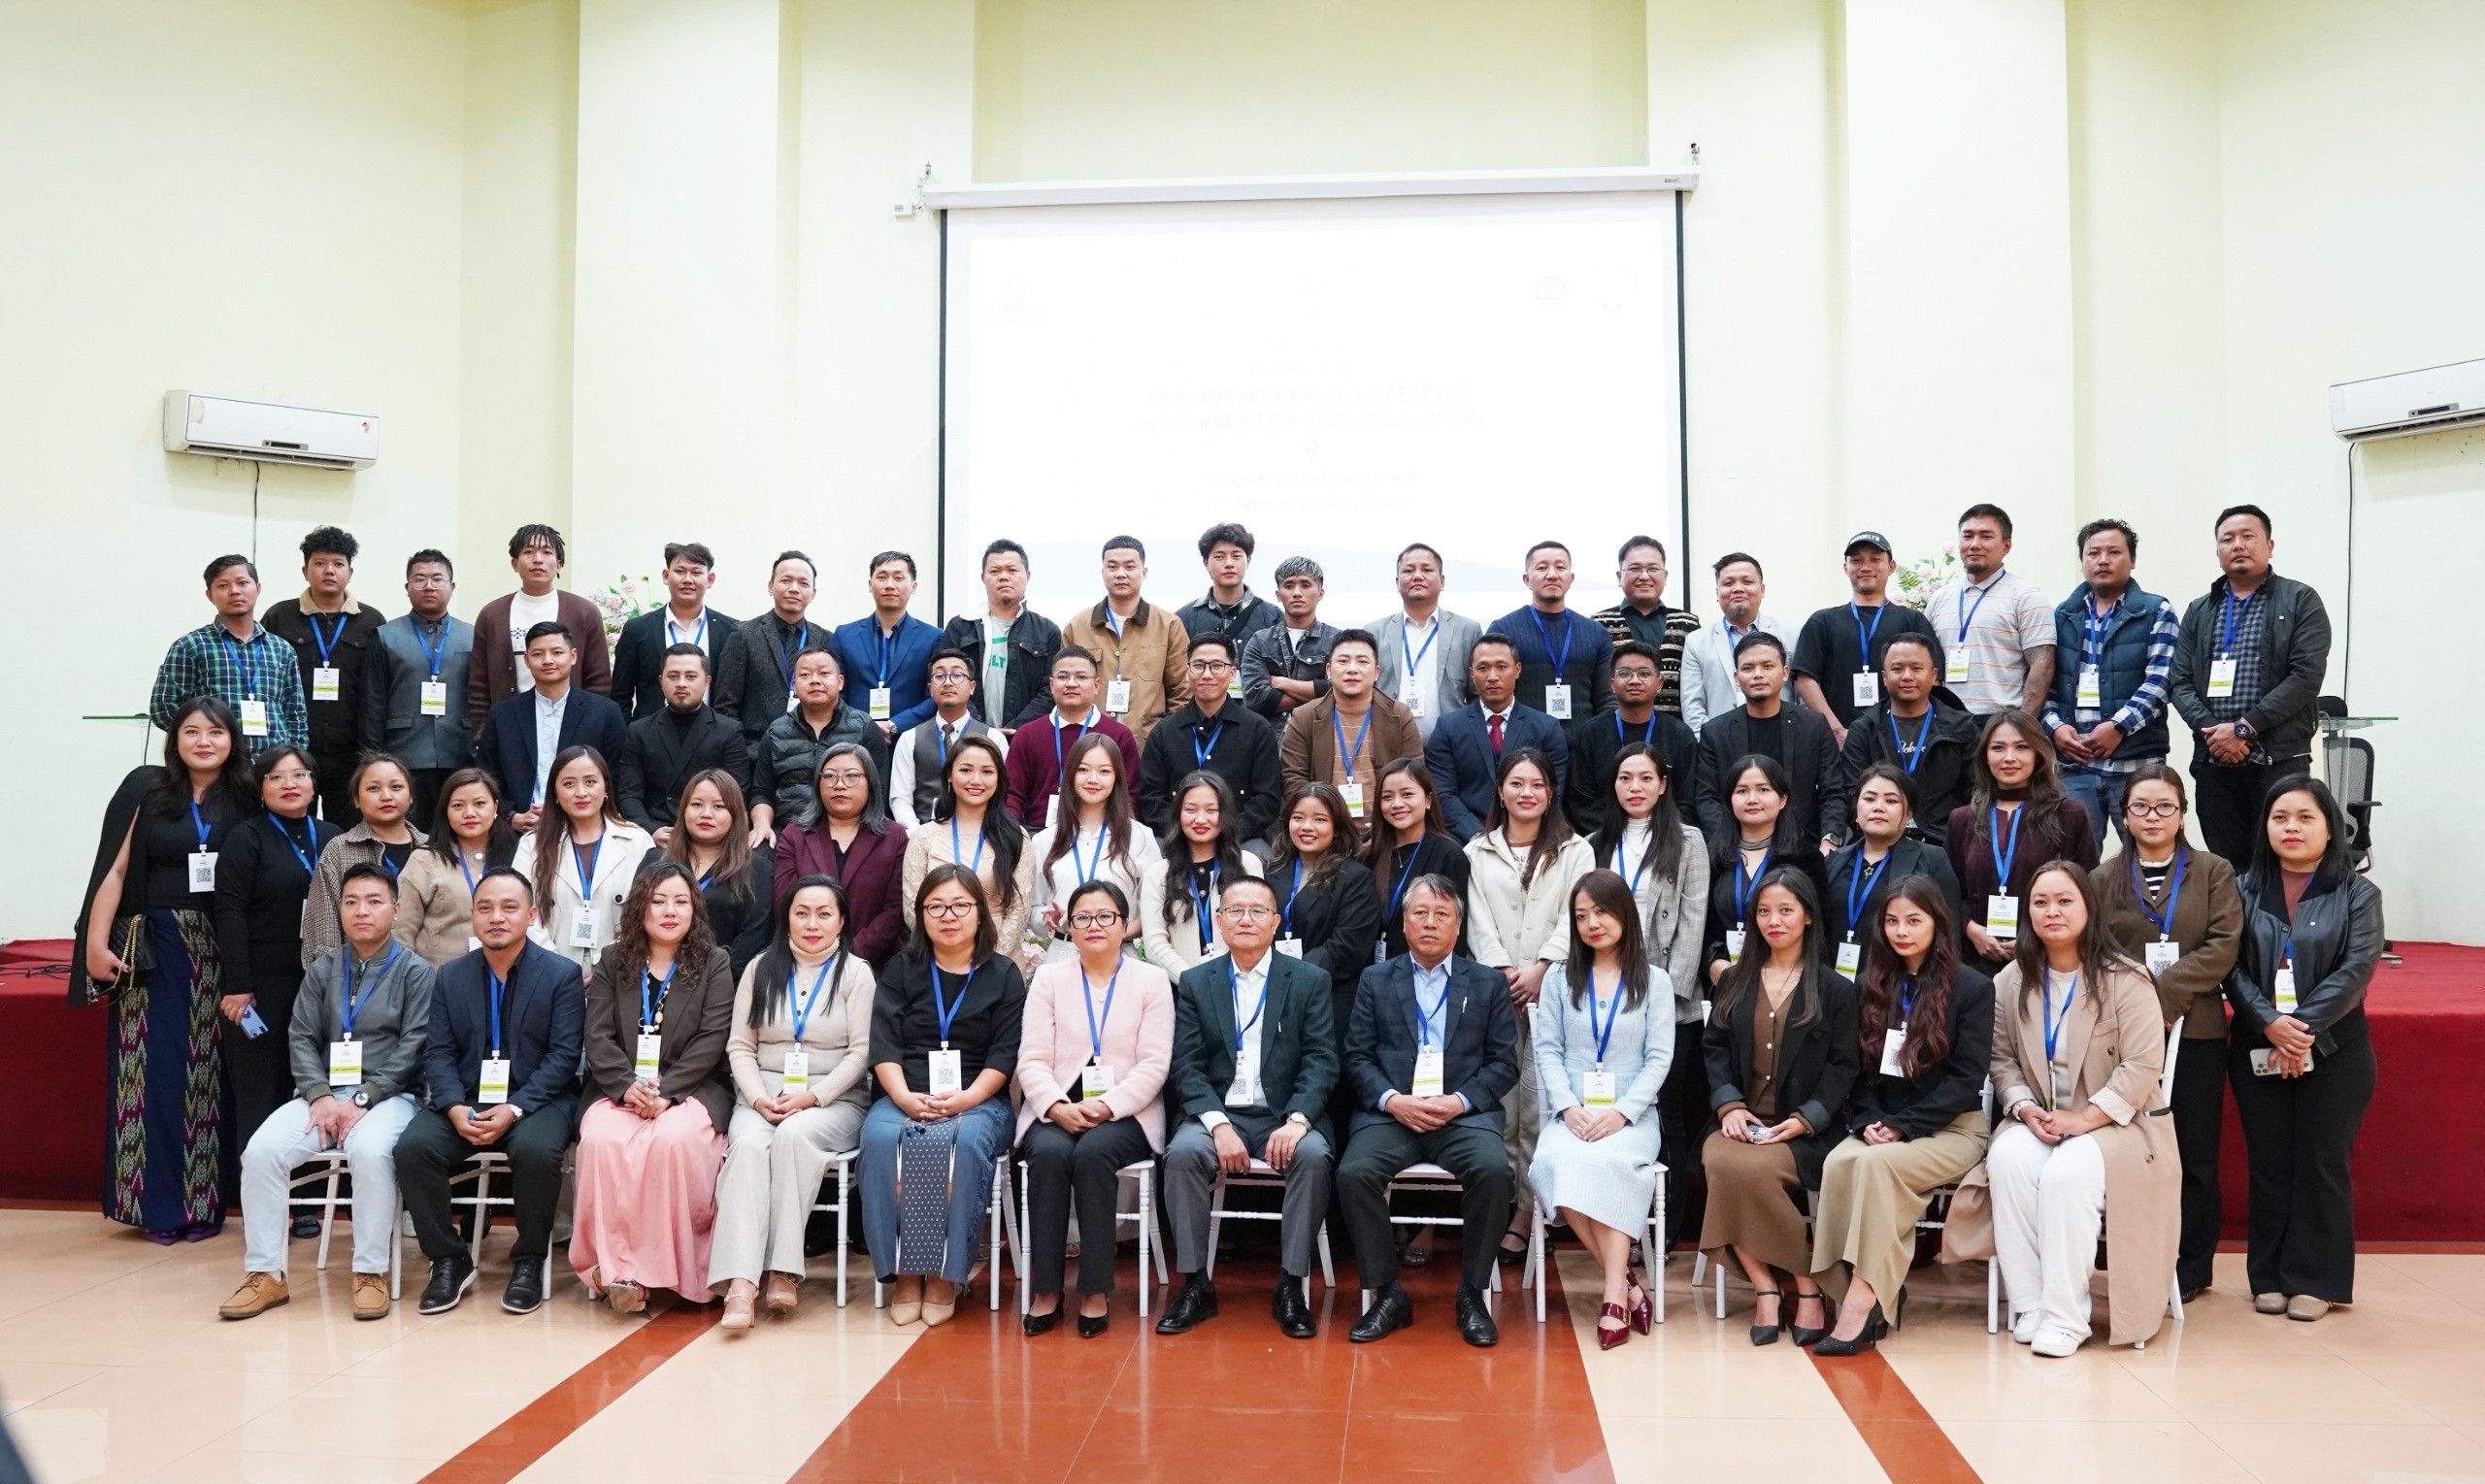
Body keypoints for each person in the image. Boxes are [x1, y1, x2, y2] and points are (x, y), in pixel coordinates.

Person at [218, 865, 433, 1322]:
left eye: (374, 901)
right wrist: (318, 1095)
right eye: (351, 902)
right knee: (260, 1152)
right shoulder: (323, 968)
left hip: (390, 1097)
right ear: (339, 910)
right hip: (323, 1096)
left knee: (370, 1151)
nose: (362, 911)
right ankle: (266, 1273)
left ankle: (370, 1272)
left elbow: (415, 1046)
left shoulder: (417, 972)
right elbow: (300, 1037)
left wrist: (364, 1098)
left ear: (396, 910)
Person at [76, 697, 256, 1238]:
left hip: (219, 950)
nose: (204, 741)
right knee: (149, 1076)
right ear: (174, 738)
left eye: (216, 732)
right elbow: (113, 869)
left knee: (205, 1078)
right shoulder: (145, 787)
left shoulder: (246, 795)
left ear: (232, 741)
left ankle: (201, 1206)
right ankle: (151, 1207)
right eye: (192, 731)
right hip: (151, 950)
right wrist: (94, 943)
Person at [1985, 863, 2177, 1354]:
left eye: (2064, 901)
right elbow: (2001, 1060)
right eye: (2040, 902)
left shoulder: (2126, 978)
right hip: (2044, 1118)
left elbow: (2142, 1066)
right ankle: (2030, 1305)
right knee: (2007, 1158)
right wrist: (2023, 1108)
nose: (2052, 911)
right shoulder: (2010, 980)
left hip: (2121, 1124)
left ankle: (2067, 1318)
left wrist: (2086, 1119)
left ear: (2089, 907)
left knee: (2066, 1171)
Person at [1807, 874, 1994, 1353]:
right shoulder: (1870, 984)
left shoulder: (1971, 988)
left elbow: (1966, 1079)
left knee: (1875, 1166)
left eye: (1914, 920)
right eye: (1892, 921)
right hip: (1883, 1124)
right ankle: (1866, 1285)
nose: (1901, 931)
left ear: (1937, 923)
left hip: (1953, 1129)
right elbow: (1858, 1069)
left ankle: (1862, 1300)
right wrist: (1870, 1120)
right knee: (1839, 1162)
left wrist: (1902, 1126)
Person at [1337, 876, 1519, 1346]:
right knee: (1354, 1174)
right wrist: (1392, 1100)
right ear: (1404, 922)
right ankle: (1387, 1293)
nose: (1430, 923)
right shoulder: (1376, 979)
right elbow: (1356, 1056)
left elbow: (1504, 1063)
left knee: (1494, 1172)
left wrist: (1458, 1101)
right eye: (1420, 913)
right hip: (1392, 1114)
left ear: (1458, 926)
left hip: (1462, 1116)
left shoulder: (1487, 983)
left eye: (1442, 914)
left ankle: (1473, 1294)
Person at [2223, 778, 2381, 1323]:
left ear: (2330, 827)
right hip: (2258, 1045)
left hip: (2336, 1049)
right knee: (2269, 1163)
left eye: (2305, 817)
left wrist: (2300, 1029)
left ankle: (2317, 1280)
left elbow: (2357, 968)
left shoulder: (2358, 893)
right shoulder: (2240, 888)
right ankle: (2268, 1277)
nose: (2291, 827)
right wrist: (2269, 1023)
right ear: (2265, 827)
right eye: (2280, 817)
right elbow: (2230, 966)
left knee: (2321, 1161)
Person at [396, 868, 584, 1315]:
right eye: (485, 908)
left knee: (537, 1152)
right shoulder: (450, 976)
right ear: (473, 914)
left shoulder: (561, 975)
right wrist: (452, 1106)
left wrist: (515, 1109)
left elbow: (563, 1057)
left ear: (531, 915)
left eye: (509, 907)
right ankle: (449, 1259)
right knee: (413, 1148)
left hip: (538, 1099)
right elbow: (438, 1052)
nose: (496, 917)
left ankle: (529, 1260)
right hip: (466, 1098)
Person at [1157, 874, 1338, 1338]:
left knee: (1312, 1156)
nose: (1246, 919)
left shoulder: (1308, 980)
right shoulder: (1197, 981)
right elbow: (1187, 1065)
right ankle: (1195, 1284)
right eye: (1235, 910)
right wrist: (1218, 1125)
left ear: (1275, 922)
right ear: (1219, 921)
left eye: (1258, 911)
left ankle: (1291, 1285)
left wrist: (1297, 1120)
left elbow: (1321, 1060)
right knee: (1183, 1154)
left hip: (1285, 1114)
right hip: (1220, 1113)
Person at [2090, 763, 2241, 1300]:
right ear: (2124, 816)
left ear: (2182, 814)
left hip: (2195, 1030)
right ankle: (2127, 1259)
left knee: (2194, 1153)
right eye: (2140, 807)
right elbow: (2095, 949)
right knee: (2127, 1149)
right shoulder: (2101, 879)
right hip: (2121, 1037)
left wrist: (2163, 996)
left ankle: (2190, 1267)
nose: (2152, 817)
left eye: (2164, 807)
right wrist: (2137, 1003)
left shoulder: (2214, 871)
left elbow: (2224, 944)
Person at [860, 866, 1028, 1326]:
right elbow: (884, 1045)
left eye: (959, 906)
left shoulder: (1003, 974)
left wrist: (967, 1099)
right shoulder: (901, 969)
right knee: (879, 1141)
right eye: (935, 907)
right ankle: (903, 1273)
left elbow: (1005, 1053)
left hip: (979, 1099)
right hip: (904, 1093)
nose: (948, 916)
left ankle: (943, 1275)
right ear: (920, 915)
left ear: (980, 913)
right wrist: (904, 1098)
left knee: (960, 1143)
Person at [711, 874, 878, 1328]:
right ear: (786, 918)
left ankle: (783, 1271)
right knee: (748, 1147)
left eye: (824, 914)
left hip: (833, 1100)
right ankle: (741, 1284)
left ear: (841, 921)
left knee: (794, 1137)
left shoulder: (856, 973)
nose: (812, 924)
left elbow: (861, 1053)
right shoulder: (760, 968)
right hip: (763, 1095)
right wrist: (758, 1099)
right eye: (802, 913)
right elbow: (740, 1046)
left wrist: (812, 1096)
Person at [1700, 868, 1856, 1346]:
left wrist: (1807, 1119)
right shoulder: (1734, 981)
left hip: (1803, 1128)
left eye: (1786, 910)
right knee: (1722, 1163)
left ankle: (1792, 1287)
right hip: (1739, 1122)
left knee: (1752, 1173)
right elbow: (1714, 1050)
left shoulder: (1834, 989)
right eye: (1764, 911)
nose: (1774, 921)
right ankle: (1787, 1285)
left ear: (1808, 916)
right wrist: (1728, 1106)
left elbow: (1844, 1066)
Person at [1013, 881, 1176, 1336]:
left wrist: (1106, 1106)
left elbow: (1154, 1064)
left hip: (1126, 1112)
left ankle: (1094, 1288)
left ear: (1124, 925)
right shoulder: (1050, 979)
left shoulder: (1151, 981)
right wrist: (1054, 1105)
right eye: (1083, 917)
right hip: (1057, 1105)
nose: (1094, 925)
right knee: (1048, 1154)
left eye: (1106, 916)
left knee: (1092, 1154)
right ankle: (1046, 1289)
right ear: (1070, 926)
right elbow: (1031, 1059)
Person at [572, 863, 735, 1312]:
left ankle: (676, 1271)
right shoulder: (613, 960)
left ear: (694, 909)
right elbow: (597, 1034)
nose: (669, 911)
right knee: (602, 1141)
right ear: (640, 908)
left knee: (673, 1142)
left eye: (680, 901)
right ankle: (617, 1271)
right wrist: (626, 1086)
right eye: (658, 901)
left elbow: (713, 1037)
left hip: (692, 1087)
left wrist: (668, 1092)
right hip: (620, 1087)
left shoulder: (714, 962)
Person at [1530, 871, 1673, 1348]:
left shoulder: (1654, 981)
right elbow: (1547, 1049)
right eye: (1581, 915)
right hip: (1572, 1114)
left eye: (1602, 912)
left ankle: (1613, 1294)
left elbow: (1659, 1058)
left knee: (1611, 1162)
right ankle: (1628, 1284)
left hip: (1632, 1117)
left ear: (1625, 915)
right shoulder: (1559, 978)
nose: (1592, 923)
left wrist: (1622, 1113)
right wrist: (1568, 1107)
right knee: (1554, 1162)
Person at [1464, 746, 1595, 1264]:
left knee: (1540, 1103)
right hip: (1494, 994)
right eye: (1516, 783)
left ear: (1550, 792)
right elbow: (1475, 918)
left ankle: (1528, 1210)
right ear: (1500, 791)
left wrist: (1542, 967)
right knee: (1501, 1104)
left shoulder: (1576, 850)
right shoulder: (1477, 851)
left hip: (1555, 989)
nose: (1527, 793)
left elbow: (1576, 914)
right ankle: (1499, 1205)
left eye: (1537, 784)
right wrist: (1501, 971)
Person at [1586, 744, 1709, 1246]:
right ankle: (1615, 1219)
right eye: (1624, 778)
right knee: (1615, 1106)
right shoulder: (1594, 843)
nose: (1634, 787)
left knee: (1667, 1113)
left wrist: (1661, 994)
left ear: (1662, 784)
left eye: (1645, 778)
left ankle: (1664, 1230)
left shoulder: (1688, 840)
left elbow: (1694, 921)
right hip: (1606, 996)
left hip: (1668, 1001)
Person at [2168, 505, 2333, 866]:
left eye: (2248, 536)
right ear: (2217, 551)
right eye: (2227, 539)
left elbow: (2305, 677)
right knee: (2226, 866)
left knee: (2282, 862)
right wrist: (2214, 733)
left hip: (2279, 759)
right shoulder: (2200, 610)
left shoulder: (2300, 600)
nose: (2238, 545)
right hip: (2214, 760)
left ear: (2269, 545)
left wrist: (2243, 729)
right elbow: (2178, 681)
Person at [212, 746, 337, 1191]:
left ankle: (309, 1201)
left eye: (299, 775)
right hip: (262, 987)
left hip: (324, 985)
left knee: (314, 1090)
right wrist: (239, 983)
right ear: (260, 787)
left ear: (314, 784)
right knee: (262, 1091)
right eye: (276, 777)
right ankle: (263, 1202)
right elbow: (229, 912)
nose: (289, 784)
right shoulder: (246, 838)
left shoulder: (333, 837)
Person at [2041, 518, 2180, 836]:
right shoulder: (2063, 614)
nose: (2103, 560)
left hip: (2138, 765)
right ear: (2082, 561)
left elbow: (2161, 681)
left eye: (2114, 552)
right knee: (2076, 858)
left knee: (2148, 852)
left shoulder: (2156, 610)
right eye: (2093, 553)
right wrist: (2055, 728)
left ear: (2133, 559)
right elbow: (2047, 682)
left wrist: (2119, 727)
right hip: (2075, 767)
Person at [1946, 711, 2102, 976]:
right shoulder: (1962, 819)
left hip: (2048, 961)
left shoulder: (2070, 815)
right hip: (1975, 961)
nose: (2009, 757)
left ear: (2038, 754)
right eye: (1998, 748)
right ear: (1985, 756)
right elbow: (1949, 892)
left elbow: (2087, 891)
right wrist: (1970, 929)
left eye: (2021, 747)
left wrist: (2036, 938)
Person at [261, 527, 389, 824]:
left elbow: (378, 690)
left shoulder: (372, 621)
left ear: (350, 572)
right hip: (294, 751)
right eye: (319, 563)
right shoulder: (279, 617)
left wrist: (372, 752)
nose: (329, 571)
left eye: (338, 564)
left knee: (347, 832)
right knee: (290, 825)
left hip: (351, 753)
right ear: (305, 571)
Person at [1689, 633, 1845, 852]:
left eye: (1767, 666)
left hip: (1805, 848)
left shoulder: (1814, 725)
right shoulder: (1716, 732)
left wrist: (1829, 841)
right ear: (1736, 677)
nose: (1758, 674)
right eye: (1748, 668)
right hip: (1737, 851)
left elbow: (1833, 791)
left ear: (1785, 673)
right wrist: (1729, 844)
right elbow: (1707, 798)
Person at [511, 746, 658, 974]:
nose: (581, 792)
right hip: (548, 974)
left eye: (590, 782)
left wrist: (605, 967)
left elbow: (648, 912)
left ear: (606, 788)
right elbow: (520, 911)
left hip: (620, 973)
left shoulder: (638, 841)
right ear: (555, 793)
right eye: (569, 784)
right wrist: (561, 970)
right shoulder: (532, 845)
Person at [1790, 531, 1946, 743]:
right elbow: (1805, 679)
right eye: (1856, 561)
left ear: (1891, 566)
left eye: (1875, 559)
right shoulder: (1822, 621)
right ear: (1845, 568)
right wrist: (1836, 731)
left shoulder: (1912, 620)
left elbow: (1933, 679)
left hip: (1901, 741)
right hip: (1840, 741)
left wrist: (1915, 730)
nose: (1865, 567)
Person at [473, 622, 630, 828]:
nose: (548, 660)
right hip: (519, 829)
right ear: (527, 660)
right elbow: (486, 774)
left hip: (584, 826)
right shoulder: (502, 714)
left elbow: (618, 775)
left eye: (557, 652)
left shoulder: (605, 712)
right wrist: (511, 816)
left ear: (573, 656)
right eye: (538, 654)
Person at [149, 555, 308, 757]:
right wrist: (203, 743)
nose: (234, 591)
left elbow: (296, 713)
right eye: (223, 586)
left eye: (242, 583)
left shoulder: (282, 649)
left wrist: (293, 758)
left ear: (258, 588)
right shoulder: (191, 646)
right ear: (210, 595)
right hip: (218, 766)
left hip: (272, 765)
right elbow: (163, 707)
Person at [362, 549, 476, 825]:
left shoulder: (473, 636)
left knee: (455, 831)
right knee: (408, 832)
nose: (428, 586)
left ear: (452, 586)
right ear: (407, 587)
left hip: (459, 753)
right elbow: (372, 702)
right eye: (420, 579)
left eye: (437, 579)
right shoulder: (385, 636)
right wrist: (373, 759)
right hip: (403, 755)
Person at [1833, 634, 1979, 846]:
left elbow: (1977, 791)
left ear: (1933, 675)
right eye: (1897, 669)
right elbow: (1853, 792)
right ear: (1884, 677)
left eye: (1916, 668)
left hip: (1944, 841)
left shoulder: (1961, 727)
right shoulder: (1864, 729)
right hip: (1880, 841)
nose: (1907, 676)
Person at [1138, 633, 1284, 845]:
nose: (1207, 674)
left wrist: (1227, 834)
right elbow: (1150, 797)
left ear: (1232, 673)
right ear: (1188, 671)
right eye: (1198, 666)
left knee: (1257, 858)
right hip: (1177, 839)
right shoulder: (1164, 732)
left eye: (1217, 666)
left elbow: (1267, 800)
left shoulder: (1257, 730)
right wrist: (1183, 833)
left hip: (1239, 840)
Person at [773, 745, 909, 972]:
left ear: (871, 783)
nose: (839, 784)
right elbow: (784, 901)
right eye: (829, 776)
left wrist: (851, 955)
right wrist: (819, 951)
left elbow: (895, 909)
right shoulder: (795, 835)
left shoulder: (894, 837)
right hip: (804, 962)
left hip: (874, 966)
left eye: (852, 776)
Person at [1029, 733, 1161, 964]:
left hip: (1121, 957)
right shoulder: (1044, 840)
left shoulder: (1140, 837)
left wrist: (1113, 933)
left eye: (1104, 771)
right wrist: (1047, 918)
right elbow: (1032, 908)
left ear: (1117, 778)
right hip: (1063, 957)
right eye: (1083, 769)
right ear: (1070, 774)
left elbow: (1155, 910)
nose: (1093, 779)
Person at [1424, 632, 1569, 841]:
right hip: (1465, 840)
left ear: (1517, 670)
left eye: (1501, 667)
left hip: (1532, 836)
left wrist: (1520, 834)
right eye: (1483, 668)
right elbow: (1442, 793)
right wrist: (1478, 837)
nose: (1492, 676)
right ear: (1471, 673)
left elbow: (1553, 789)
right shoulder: (1448, 727)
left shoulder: (1546, 728)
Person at [1279, 629, 1422, 840]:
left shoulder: (1399, 715)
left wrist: (1385, 830)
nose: (1352, 669)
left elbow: (1415, 777)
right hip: (1325, 833)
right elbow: (1293, 779)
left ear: (1376, 672)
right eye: (1343, 661)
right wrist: (1324, 824)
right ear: (1329, 671)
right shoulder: (1304, 717)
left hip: (1386, 832)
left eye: (1362, 662)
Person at [1700, 756, 1829, 989]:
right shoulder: (1711, 859)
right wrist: (1712, 963)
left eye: (1763, 789)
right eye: (1742, 791)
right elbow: (1699, 924)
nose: (1752, 799)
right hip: (1726, 981)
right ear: (1729, 800)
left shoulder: (1806, 859)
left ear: (1782, 799)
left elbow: (1819, 928)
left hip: (1789, 981)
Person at [1823, 765, 1964, 973]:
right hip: (1835, 981)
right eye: (1869, 799)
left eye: (1891, 801)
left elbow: (1950, 934)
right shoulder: (1834, 861)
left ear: (1908, 813)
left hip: (1900, 981)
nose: (1878, 807)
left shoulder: (1932, 859)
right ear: (1856, 808)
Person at [467, 524, 613, 714]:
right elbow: (479, 685)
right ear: (514, 564)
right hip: (509, 724)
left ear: (559, 564)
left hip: (572, 722)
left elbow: (599, 681)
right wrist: (483, 729)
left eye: (546, 552)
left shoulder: (584, 612)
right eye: (528, 552)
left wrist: (590, 724)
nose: (537, 559)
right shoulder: (492, 615)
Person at [1060, 535, 1192, 745]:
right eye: (1112, 567)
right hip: (1090, 745)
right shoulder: (1077, 627)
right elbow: (1065, 692)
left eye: (1130, 567)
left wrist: (1164, 739)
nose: (1121, 574)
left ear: (1144, 572)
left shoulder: (1169, 625)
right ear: (1102, 572)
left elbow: (1183, 692)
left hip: (1149, 745)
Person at [748, 646, 889, 836]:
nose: (814, 680)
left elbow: (879, 790)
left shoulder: (865, 728)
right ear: (794, 685)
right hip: (789, 833)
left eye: (824, 673)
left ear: (840, 682)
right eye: (805, 675)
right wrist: (762, 826)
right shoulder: (776, 732)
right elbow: (762, 792)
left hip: (851, 832)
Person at [301, 754, 426, 966]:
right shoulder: (339, 850)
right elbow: (323, 931)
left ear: (411, 796)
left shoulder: (433, 850)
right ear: (356, 800)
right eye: (374, 788)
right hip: (356, 977)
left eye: (396, 787)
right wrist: (332, 978)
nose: (386, 796)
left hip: (425, 977)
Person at [1930, 504, 2055, 717]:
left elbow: (2042, 666)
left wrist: (2023, 725)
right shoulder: (1939, 598)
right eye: (1967, 536)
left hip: (2001, 723)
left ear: (2006, 546)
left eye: (1986, 537)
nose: (1974, 545)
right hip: (1946, 723)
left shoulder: (2028, 596)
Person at [1267, 784, 1385, 1006]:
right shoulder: (1273, 871)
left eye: (1319, 820)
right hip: (1273, 991)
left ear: (1337, 827)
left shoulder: (1356, 878)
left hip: (1328, 995)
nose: (1307, 827)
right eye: (1298, 818)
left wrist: (1294, 974)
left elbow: (1347, 946)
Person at [1140, 773, 1268, 974]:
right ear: (1178, 814)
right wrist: (1194, 983)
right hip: (1181, 987)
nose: (1200, 819)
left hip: (1239, 983)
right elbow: (1155, 945)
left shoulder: (1247, 864)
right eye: (1191, 810)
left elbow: (1256, 930)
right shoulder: (1158, 873)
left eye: (1211, 810)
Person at [1564, 640, 1696, 837]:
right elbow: (1581, 801)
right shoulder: (1591, 734)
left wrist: (1655, 835)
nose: (1635, 680)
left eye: (1644, 673)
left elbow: (1687, 801)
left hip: (1666, 839)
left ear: (1659, 684)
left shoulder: (1680, 735)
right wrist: (1620, 836)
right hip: (1606, 839)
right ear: (1612, 684)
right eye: (1625, 673)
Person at [617, 644, 750, 839]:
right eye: (673, 676)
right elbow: (628, 794)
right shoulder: (639, 731)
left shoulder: (729, 731)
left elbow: (738, 793)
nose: (681, 683)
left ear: (707, 681)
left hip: (710, 832)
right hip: (656, 832)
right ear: (661, 681)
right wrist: (650, 830)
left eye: (690, 676)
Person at [652, 770, 775, 976]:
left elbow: (754, 937)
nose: (706, 814)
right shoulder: (655, 860)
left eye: (718, 806)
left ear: (735, 814)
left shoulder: (756, 869)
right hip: (655, 979)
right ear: (684, 810)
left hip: (723, 982)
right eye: (697, 804)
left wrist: (714, 980)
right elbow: (636, 922)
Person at [1003, 646, 1141, 830]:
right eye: (1063, 677)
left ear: (1097, 685)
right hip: (1038, 832)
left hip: (1101, 834)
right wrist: (1013, 833)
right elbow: (1012, 794)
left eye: (1081, 677)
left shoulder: (1119, 735)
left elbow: (1129, 795)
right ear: (1052, 685)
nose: (1071, 684)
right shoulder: (1027, 734)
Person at [939, 538, 1062, 737]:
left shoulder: (1047, 631)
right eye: (995, 571)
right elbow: (947, 682)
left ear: (1027, 575)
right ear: (983, 578)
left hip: (1025, 737)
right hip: (969, 737)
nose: (1004, 577)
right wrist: (980, 729)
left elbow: (1050, 690)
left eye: (1012, 570)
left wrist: (1016, 729)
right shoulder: (961, 626)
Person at [395, 769, 517, 965]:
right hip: (436, 976)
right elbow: (401, 933)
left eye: (479, 804)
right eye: (458, 805)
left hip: (507, 974)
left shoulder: (519, 856)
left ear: (495, 807)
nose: (469, 813)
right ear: (446, 811)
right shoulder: (425, 860)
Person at [714, 550, 836, 746]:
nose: (794, 589)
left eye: (803, 583)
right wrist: (743, 751)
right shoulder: (744, 634)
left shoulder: (826, 639)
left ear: (813, 593)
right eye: (786, 581)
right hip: (757, 749)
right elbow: (725, 705)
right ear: (770, 587)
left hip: (813, 750)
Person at [611, 543, 739, 720]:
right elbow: (620, 695)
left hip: (713, 732)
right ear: (665, 575)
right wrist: (627, 732)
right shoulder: (638, 630)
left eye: (696, 573)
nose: (687, 580)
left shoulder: (731, 630)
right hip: (651, 733)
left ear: (710, 580)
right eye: (680, 571)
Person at [1369, 542, 1481, 742]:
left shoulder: (1467, 630)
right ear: (1397, 582)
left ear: (1442, 581)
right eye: (1408, 570)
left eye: (1427, 570)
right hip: (1389, 744)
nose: (1417, 576)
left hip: (1452, 745)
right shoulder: (1374, 632)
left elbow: (1477, 693)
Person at [1494, 541, 1614, 722]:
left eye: (1560, 567)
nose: (1552, 575)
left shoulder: (1596, 633)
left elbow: (1607, 698)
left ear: (1571, 578)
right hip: (1523, 737)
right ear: (1527, 579)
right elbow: (1494, 696)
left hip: (1584, 737)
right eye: (1542, 568)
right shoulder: (1503, 630)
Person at [1364, 760, 1473, 962]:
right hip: (1371, 971)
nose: (1397, 804)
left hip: (1426, 970)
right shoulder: (1368, 856)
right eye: (1387, 797)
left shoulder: (1450, 855)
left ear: (1428, 800)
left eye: (1407, 794)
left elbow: (1457, 930)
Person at [832, 550, 945, 742]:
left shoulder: (933, 637)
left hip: (911, 740)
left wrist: (894, 725)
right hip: (854, 741)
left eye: (898, 578)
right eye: (882, 577)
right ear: (870, 585)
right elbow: (835, 692)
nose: (889, 585)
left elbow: (936, 695)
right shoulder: (844, 635)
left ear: (913, 586)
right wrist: (864, 726)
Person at [1676, 552, 1796, 733]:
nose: (1738, 589)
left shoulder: (1792, 634)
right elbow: (1692, 706)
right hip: (1722, 742)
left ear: (1762, 589)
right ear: (1717, 593)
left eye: (1747, 582)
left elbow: (1803, 697)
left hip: (1783, 736)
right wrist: (1709, 744)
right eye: (1728, 583)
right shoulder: (1696, 642)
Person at [888, 648, 1005, 829]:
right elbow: (900, 799)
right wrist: (917, 834)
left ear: (972, 687)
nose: (948, 682)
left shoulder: (993, 739)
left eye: (957, 675)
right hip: (923, 830)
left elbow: (1002, 794)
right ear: (930, 689)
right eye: (940, 676)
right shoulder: (910, 739)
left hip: (979, 831)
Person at [1592, 535, 1699, 718]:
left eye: (1653, 569)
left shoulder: (1687, 624)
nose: (1644, 576)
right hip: (1616, 729)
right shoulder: (1599, 624)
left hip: (1677, 729)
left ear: (1665, 576)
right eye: (1635, 569)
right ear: (1619, 576)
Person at [1237, 556, 1339, 720]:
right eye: (1289, 586)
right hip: (1271, 735)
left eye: (1305, 585)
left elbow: (1342, 691)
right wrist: (1321, 693)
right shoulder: (1260, 642)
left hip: (1319, 732)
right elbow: (1255, 700)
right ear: (1278, 595)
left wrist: (1283, 683)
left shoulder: (1338, 641)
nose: (1297, 593)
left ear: (1320, 593)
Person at [1176, 521, 1281, 653]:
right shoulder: (1183, 619)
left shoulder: (1273, 617)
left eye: (1236, 556)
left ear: (1248, 560)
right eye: (1219, 557)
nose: (1229, 563)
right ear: (1206, 563)